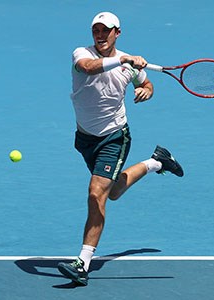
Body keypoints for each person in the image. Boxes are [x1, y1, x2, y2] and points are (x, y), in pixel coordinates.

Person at [56, 12, 184, 286]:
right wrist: (124, 59)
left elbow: (147, 84)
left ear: (118, 33)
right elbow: (90, 67)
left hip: (114, 138)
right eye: (96, 30)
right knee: (110, 193)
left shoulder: (131, 67)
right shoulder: (82, 54)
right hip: (85, 139)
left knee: (96, 194)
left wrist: (146, 90)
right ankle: (156, 162)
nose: (100, 35)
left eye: (106, 30)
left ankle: (82, 264)